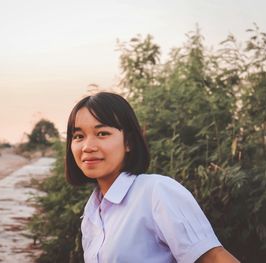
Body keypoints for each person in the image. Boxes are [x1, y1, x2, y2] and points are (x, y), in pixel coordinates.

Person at [65, 92, 239, 263]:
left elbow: (214, 258)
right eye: (79, 136)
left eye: (102, 133)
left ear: (129, 142)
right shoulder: (92, 212)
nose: (87, 147)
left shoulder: (156, 192)